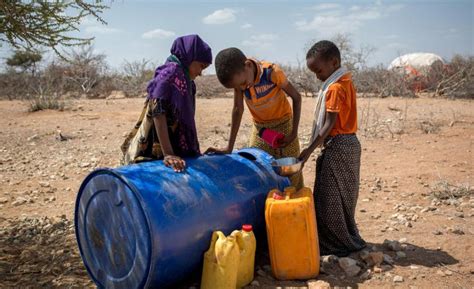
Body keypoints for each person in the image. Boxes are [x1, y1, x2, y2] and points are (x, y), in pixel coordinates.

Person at [299, 40, 366, 256]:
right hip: (349, 144)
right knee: (342, 196)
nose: (317, 76)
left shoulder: (335, 88)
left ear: (333, 62)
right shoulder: (345, 81)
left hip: (339, 146)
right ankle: (344, 238)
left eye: (318, 70)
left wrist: (308, 151)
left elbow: (328, 125)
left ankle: (336, 243)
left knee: (330, 197)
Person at [206, 47, 303, 189]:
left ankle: (297, 209)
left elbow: (297, 97)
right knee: (259, 170)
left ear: (248, 65)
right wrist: (229, 147)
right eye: (238, 87)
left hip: (284, 125)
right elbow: (238, 110)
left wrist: (293, 133)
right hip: (261, 129)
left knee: (291, 174)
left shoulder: (272, 73)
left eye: (243, 83)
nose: (243, 87)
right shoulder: (240, 81)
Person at [121, 34, 212, 172]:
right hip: (156, 147)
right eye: (201, 66)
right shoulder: (171, 72)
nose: (200, 73)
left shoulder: (187, 81)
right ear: (190, 57)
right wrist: (168, 153)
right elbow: (158, 109)